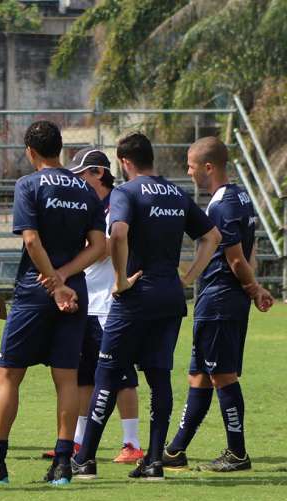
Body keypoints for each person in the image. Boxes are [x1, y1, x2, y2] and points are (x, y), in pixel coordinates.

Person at [0, 121, 105, 485]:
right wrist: (66, 278)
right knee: (66, 378)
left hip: (35, 292)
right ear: (62, 150)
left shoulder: (28, 184)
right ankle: (63, 464)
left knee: (10, 374)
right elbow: (99, 247)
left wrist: (53, 284)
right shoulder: (85, 190)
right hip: (75, 292)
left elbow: (32, 242)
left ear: (30, 152)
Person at [72, 133, 221, 481]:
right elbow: (212, 236)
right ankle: (154, 461)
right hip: (170, 297)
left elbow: (119, 233)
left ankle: (85, 459)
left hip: (135, 297)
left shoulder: (126, 192)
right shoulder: (177, 193)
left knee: (106, 374)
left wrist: (121, 279)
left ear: (124, 162)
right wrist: (188, 277)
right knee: (159, 377)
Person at [163, 137, 275, 472]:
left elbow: (236, 258)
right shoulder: (241, 195)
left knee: (223, 375)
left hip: (220, 300)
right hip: (223, 300)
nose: (189, 170)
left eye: (191, 164)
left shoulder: (222, 204)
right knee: (199, 375)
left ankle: (237, 453)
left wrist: (253, 288)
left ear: (208, 167)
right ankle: (175, 450)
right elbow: (249, 250)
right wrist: (254, 288)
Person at [41, 148, 144, 464]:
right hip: (88, 301)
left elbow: (104, 249)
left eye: (82, 175)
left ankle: (131, 442)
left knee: (122, 375)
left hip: (111, 304)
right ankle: (79, 442)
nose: (78, 181)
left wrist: (66, 260)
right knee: (84, 375)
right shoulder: (92, 206)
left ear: (99, 173)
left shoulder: (118, 203)